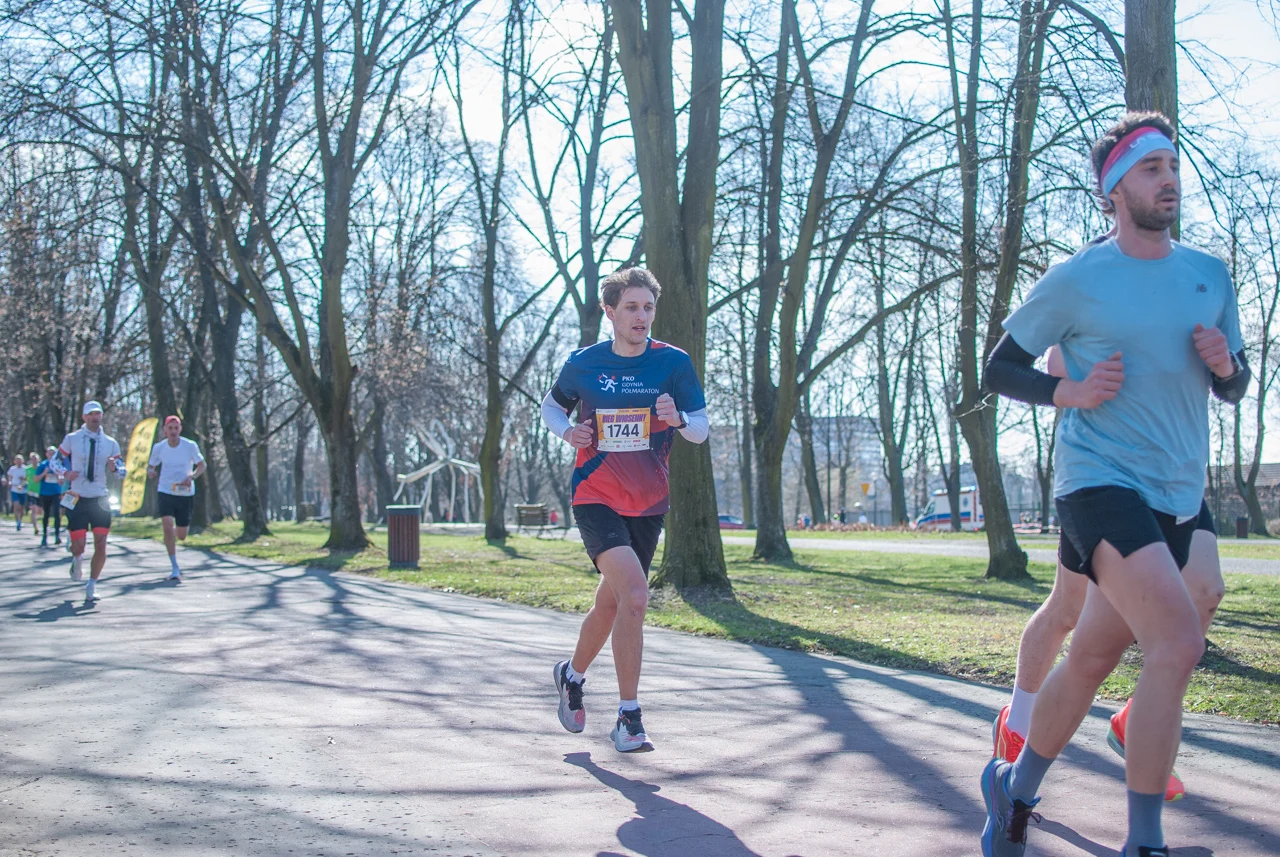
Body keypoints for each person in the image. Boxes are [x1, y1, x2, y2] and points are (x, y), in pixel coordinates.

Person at [980, 112, 1248, 857]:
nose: (1169, 180)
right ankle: (1146, 840)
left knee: (1094, 656)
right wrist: (1069, 392)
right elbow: (998, 368)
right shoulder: (1078, 278)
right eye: (1151, 169)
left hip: (1178, 492)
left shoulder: (1209, 273)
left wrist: (1227, 366)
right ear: (1114, 189)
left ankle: (1015, 785)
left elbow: (1235, 385)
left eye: (1172, 165)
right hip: (1098, 482)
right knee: (1176, 639)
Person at [991, 345, 1226, 804]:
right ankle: (1016, 724)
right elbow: (1056, 363)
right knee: (1070, 609)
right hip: (1102, 474)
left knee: (1205, 590)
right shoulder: (1092, 281)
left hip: (1171, 470)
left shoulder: (1187, 281)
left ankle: (1133, 722)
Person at [542, 267, 709, 753]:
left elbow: (700, 428)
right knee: (636, 595)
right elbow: (551, 408)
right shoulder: (583, 364)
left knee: (612, 602)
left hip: (649, 501)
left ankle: (571, 676)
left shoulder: (673, 364)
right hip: (594, 494)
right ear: (610, 312)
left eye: (648, 308)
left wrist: (676, 419)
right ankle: (629, 717)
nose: (641, 316)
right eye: (631, 307)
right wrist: (568, 432)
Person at [57, 401, 128, 603]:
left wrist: (115, 468)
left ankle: (91, 585)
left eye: (98, 414)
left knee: (101, 543)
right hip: (77, 496)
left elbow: (122, 471)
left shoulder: (110, 442)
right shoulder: (72, 439)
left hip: (100, 497)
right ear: (84, 417)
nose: (95, 417)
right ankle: (77, 559)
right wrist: (65, 473)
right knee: (78, 545)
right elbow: (55, 460)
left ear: (101, 417)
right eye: (91, 414)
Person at [147, 415, 206, 580]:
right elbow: (151, 466)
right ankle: (174, 567)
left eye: (176, 428)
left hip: (185, 493)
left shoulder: (189, 446)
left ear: (180, 429)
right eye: (170, 428)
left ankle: (170, 536)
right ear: (165, 430)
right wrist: (150, 472)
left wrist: (192, 477)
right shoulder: (159, 448)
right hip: (165, 491)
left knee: (181, 535)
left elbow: (202, 465)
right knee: (167, 525)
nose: (173, 431)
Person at [35, 446, 66, 547]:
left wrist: (59, 477)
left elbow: (63, 477)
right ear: (46, 454)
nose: (51, 455)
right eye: (50, 453)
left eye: (53, 453)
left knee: (57, 514)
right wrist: (44, 473)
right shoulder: (43, 465)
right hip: (45, 493)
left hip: (56, 492)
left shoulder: (58, 464)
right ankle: (45, 536)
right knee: (46, 514)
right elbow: (36, 479)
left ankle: (57, 536)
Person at [5, 454, 30, 531]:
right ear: (15, 461)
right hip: (14, 488)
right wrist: (9, 482)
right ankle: (17, 522)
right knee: (16, 505)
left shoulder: (25, 469)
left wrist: (23, 479)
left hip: (23, 489)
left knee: (22, 508)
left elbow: (28, 478)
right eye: (17, 461)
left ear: (22, 461)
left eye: (20, 461)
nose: (19, 462)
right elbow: (9, 478)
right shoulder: (12, 469)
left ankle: (20, 520)